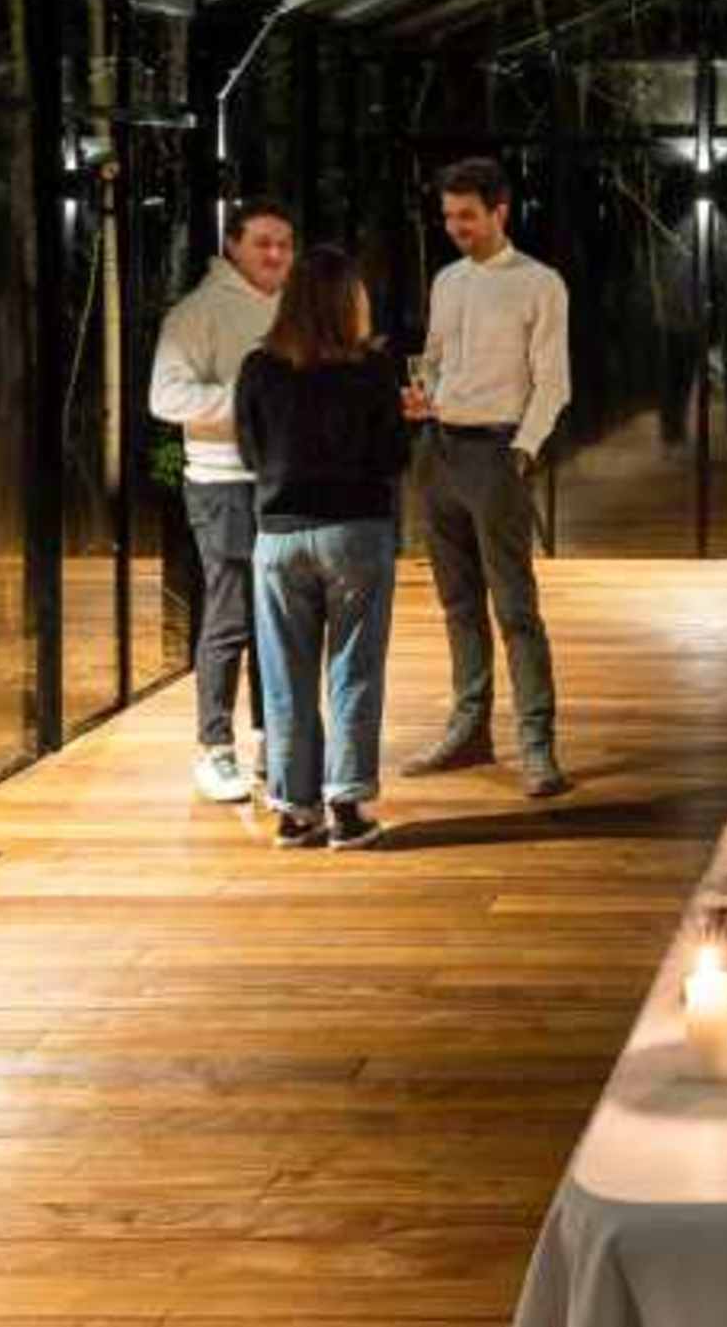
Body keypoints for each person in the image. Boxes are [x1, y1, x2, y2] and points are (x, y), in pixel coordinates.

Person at [401, 158, 574, 799]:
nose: (456, 227)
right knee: (457, 602)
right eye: (449, 216)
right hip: (438, 451)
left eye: (467, 216)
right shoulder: (447, 281)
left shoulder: (540, 284)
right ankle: (469, 729)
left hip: (497, 454)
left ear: (501, 211)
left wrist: (522, 452)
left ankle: (537, 745)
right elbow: (434, 359)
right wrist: (424, 395)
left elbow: (553, 382)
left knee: (515, 607)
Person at [237, 246, 410, 850]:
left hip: (279, 536)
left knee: (284, 675)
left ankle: (294, 812)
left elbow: (250, 452)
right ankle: (347, 807)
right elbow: (393, 458)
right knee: (354, 669)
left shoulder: (258, 367)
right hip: (355, 532)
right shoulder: (373, 370)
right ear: (348, 302)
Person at [151, 197, 296, 804]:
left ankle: (271, 739)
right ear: (232, 245)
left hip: (283, 480)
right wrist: (247, 402)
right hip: (222, 483)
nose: (275, 254)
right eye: (262, 242)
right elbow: (165, 398)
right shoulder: (197, 312)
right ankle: (215, 749)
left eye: (284, 244)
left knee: (276, 617)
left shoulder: (293, 308)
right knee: (231, 615)